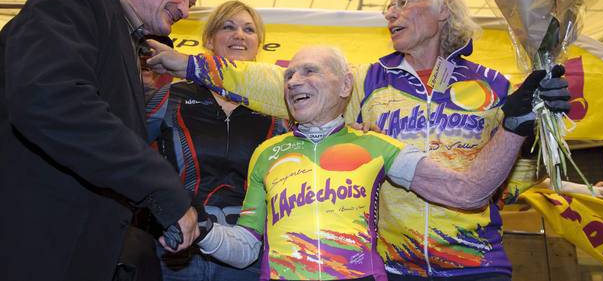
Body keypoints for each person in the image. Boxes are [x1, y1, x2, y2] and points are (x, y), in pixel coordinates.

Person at [147, 0, 571, 281]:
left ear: (443, 9)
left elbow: (507, 177)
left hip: (476, 263)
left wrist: (536, 134)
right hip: (392, 265)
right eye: (389, 5)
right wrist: (192, 64)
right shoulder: (368, 79)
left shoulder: (494, 85)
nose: (391, 13)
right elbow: (279, 84)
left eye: (404, 2)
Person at [191, 45, 563, 281]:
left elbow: (465, 192)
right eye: (289, 74)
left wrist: (514, 127)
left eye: (309, 71)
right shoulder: (267, 153)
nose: (293, 81)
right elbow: (245, 248)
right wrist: (203, 230)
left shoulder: (376, 144)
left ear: (345, 86)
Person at [0, 0, 209, 281]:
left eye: (192, 1)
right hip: (34, 246)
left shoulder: (128, 46)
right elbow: (52, 99)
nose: (186, 10)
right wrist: (163, 189)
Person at [147, 1, 286, 281]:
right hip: (177, 250)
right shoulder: (169, 97)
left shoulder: (281, 108)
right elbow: (128, 157)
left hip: (246, 253)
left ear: (259, 44)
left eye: (249, 29)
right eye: (228, 27)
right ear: (209, 40)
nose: (239, 35)